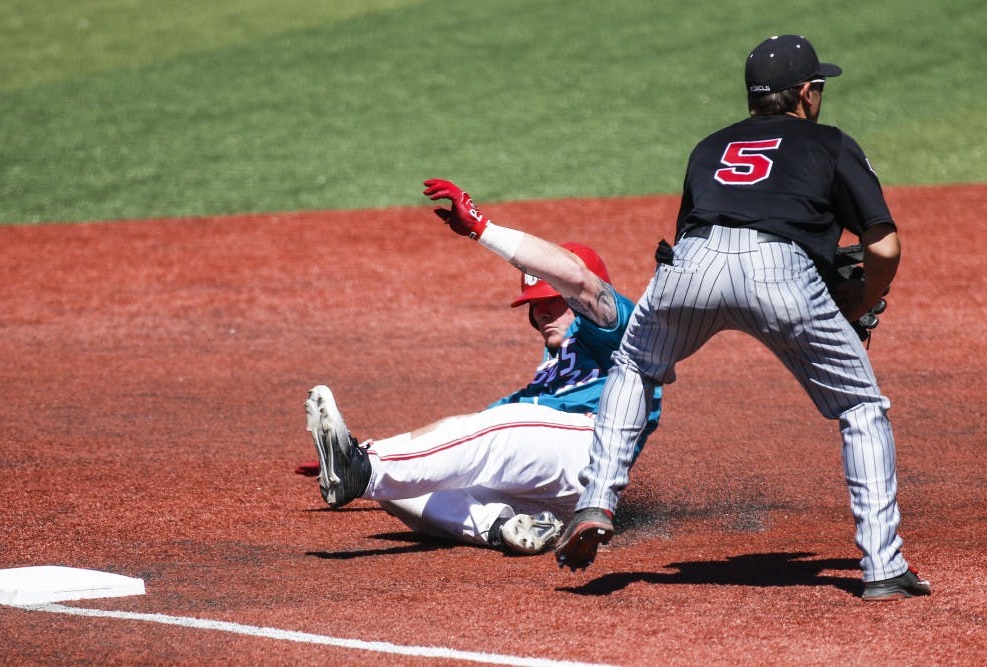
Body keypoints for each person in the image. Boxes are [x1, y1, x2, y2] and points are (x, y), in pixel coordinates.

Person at [554, 34, 931, 601]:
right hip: (778, 272)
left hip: (691, 264)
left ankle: (596, 500)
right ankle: (882, 566)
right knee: (859, 406)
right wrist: (858, 301)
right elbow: (881, 246)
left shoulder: (709, 146)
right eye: (819, 87)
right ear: (805, 93)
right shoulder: (830, 143)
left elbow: (690, 230)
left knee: (635, 362)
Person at [301, 178, 662, 554]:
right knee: (408, 484)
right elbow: (466, 430)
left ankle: (365, 469)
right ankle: (502, 527)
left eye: (554, 300)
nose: (542, 312)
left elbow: (577, 280)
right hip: (552, 494)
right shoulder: (548, 377)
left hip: (590, 452)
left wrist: (483, 229)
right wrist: (377, 448)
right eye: (535, 304)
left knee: (499, 429)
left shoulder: (620, 332)